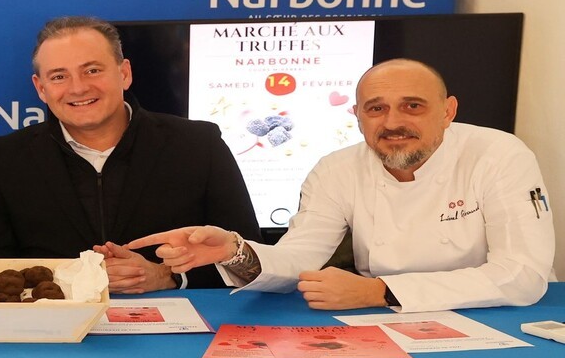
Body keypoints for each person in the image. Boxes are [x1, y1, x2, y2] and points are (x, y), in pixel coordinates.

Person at [130, 58, 556, 312]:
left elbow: (522, 275)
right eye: (376, 108)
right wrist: (236, 251)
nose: (393, 122)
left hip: (495, 317)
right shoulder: (336, 168)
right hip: (389, 322)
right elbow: (301, 259)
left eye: (413, 106)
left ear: (447, 111)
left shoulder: (500, 155)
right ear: (357, 114)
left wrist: (379, 291)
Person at [0, 16, 262, 292]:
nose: (78, 88)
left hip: (178, 335)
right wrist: (75, 280)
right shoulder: (3, 158)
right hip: (54, 330)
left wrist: (168, 276)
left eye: (92, 70)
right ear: (41, 89)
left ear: (124, 73)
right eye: (59, 77)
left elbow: (249, 256)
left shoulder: (199, 143)